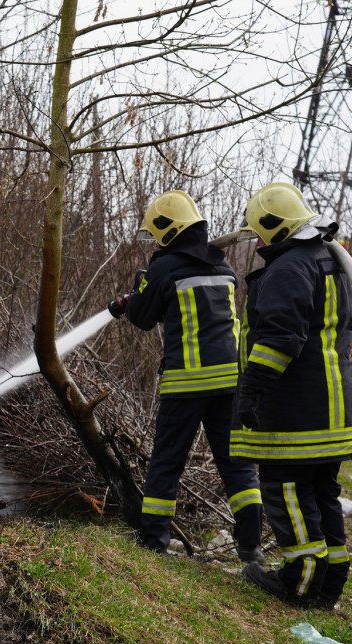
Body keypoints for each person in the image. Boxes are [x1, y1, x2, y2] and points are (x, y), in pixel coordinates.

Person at [109, 190, 264, 561]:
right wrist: (143, 292)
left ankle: (153, 543)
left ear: (168, 229)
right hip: (229, 381)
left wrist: (139, 291)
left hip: (187, 382)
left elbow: (144, 318)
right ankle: (251, 547)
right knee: (237, 464)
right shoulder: (223, 267)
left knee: (167, 461)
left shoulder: (164, 268)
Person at [232, 181, 352, 609]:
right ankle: (330, 584)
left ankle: (300, 582)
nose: (259, 242)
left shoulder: (289, 268)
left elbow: (278, 340)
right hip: (334, 407)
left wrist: (250, 392)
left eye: (259, 234)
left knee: (286, 488)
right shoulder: (327, 261)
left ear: (272, 228)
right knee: (322, 492)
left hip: (298, 412)